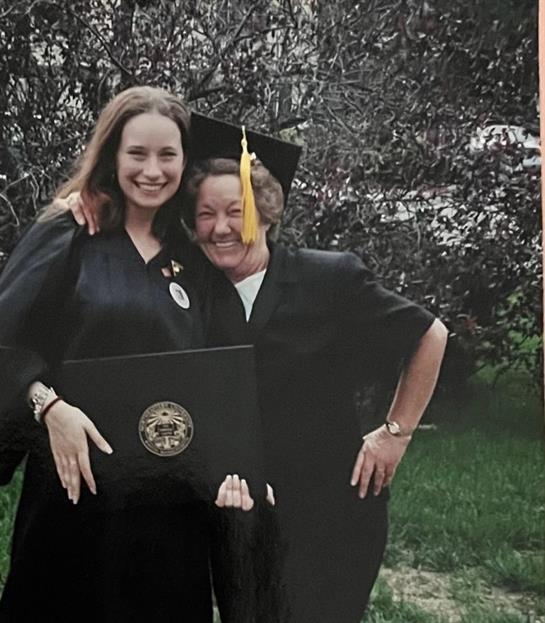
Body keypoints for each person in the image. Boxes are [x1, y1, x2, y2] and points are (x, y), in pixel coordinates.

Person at [62, 112, 448, 622]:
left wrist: (395, 433)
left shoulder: (326, 278)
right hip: (238, 516)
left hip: (327, 511)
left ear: (266, 212)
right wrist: (86, 198)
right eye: (205, 214)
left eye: (236, 211)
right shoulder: (190, 291)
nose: (221, 228)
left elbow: (429, 334)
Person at [0, 87, 266, 622]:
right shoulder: (70, 232)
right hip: (74, 493)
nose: (152, 170)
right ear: (112, 156)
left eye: (167, 155)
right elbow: (8, 337)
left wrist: (237, 465)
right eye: (136, 154)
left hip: (167, 507)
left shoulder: (195, 262)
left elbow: (224, 376)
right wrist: (49, 407)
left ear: (184, 162)